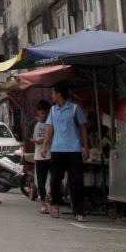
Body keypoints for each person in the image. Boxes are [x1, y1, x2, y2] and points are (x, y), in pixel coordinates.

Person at [40, 81, 89, 222]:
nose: (52, 96)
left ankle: (79, 212)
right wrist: (44, 146)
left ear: (59, 94)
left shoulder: (74, 109)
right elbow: (50, 128)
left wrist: (85, 147)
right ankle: (55, 205)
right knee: (55, 180)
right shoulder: (53, 110)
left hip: (73, 150)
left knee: (76, 182)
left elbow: (83, 128)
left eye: (53, 93)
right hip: (57, 150)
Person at [30, 100, 52, 214]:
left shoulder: (51, 123)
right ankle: (43, 203)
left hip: (52, 154)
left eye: (46, 113)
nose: (44, 115)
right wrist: (37, 140)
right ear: (38, 112)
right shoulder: (34, 124)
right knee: (41, 180)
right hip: (39, 156)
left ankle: (51, 197)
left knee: (55, 178)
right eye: (42, 113)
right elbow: (28, 138)